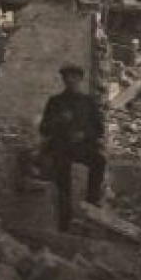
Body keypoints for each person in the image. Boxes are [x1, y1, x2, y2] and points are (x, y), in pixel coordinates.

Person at [39, 64, 107, 232]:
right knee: (63, 173)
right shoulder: (55, 102)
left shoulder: (88, 102)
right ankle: (64, 221)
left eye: (73, 77)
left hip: (82, 147)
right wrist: (59, 121)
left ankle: (92, 204)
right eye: (66, 77)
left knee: (99, 161)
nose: (70, 80)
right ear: (63, 80)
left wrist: (84, 134)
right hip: (61, 148)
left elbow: (99, 129)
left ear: (80, 79)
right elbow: (43, 129)